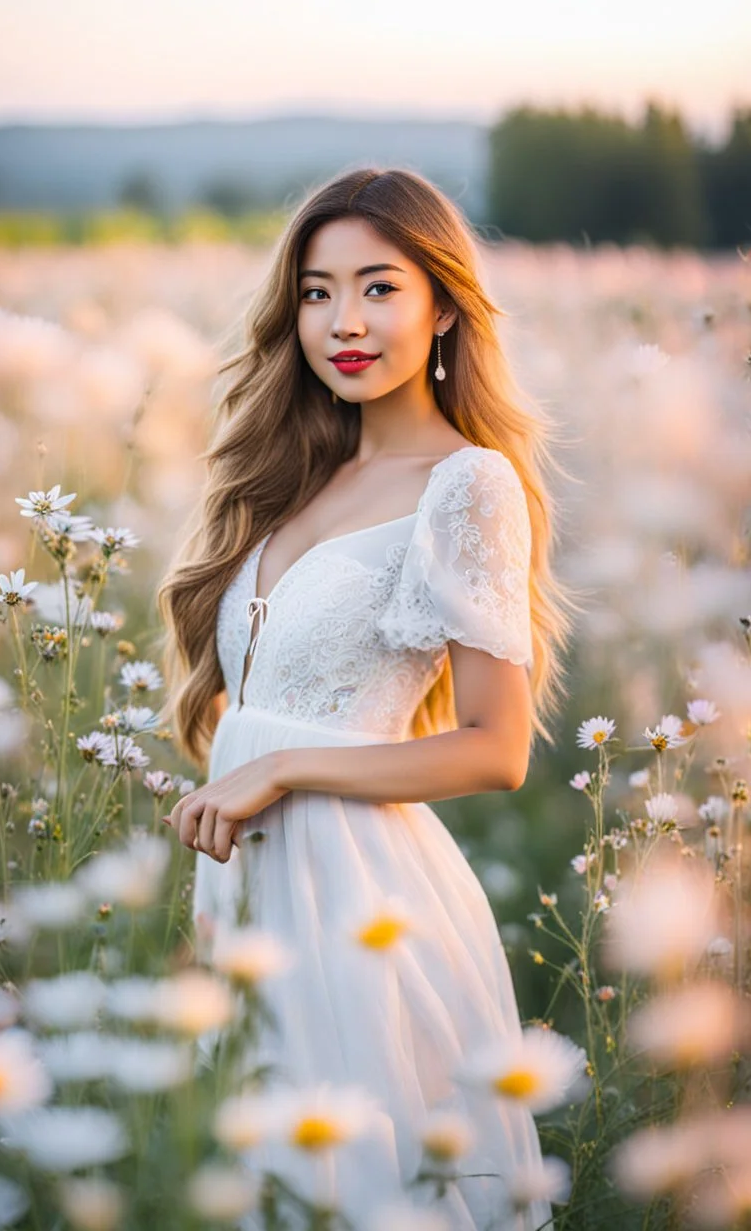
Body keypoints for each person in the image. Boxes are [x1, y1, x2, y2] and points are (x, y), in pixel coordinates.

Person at [157, 167, 576, 1229]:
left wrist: (287, 766)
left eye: (379, 288)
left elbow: (496, 750)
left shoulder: (467, 484)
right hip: (251, 894)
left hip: (361, 901)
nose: (344, 321)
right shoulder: (293, 472)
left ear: (442, 305)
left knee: (356, 1188)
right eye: (315, 291)